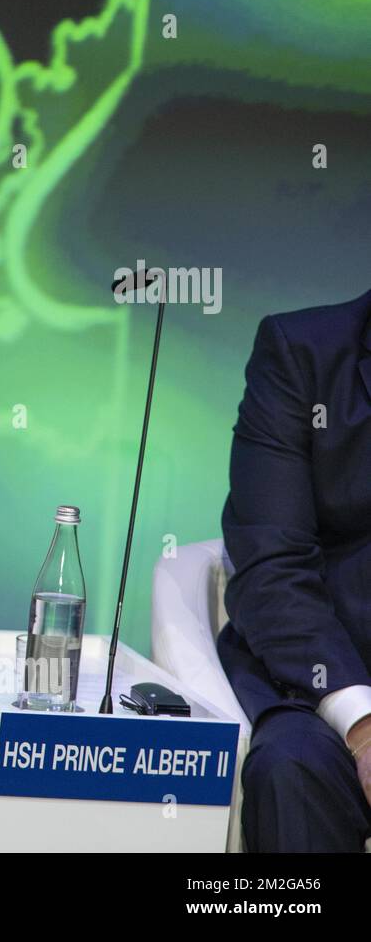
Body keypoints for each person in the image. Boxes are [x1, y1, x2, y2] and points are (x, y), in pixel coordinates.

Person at [220, 289, 371, 852]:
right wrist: (362, 725)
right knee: (291, 770)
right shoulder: (303, 353)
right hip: (332, 682)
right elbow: (271, 564)